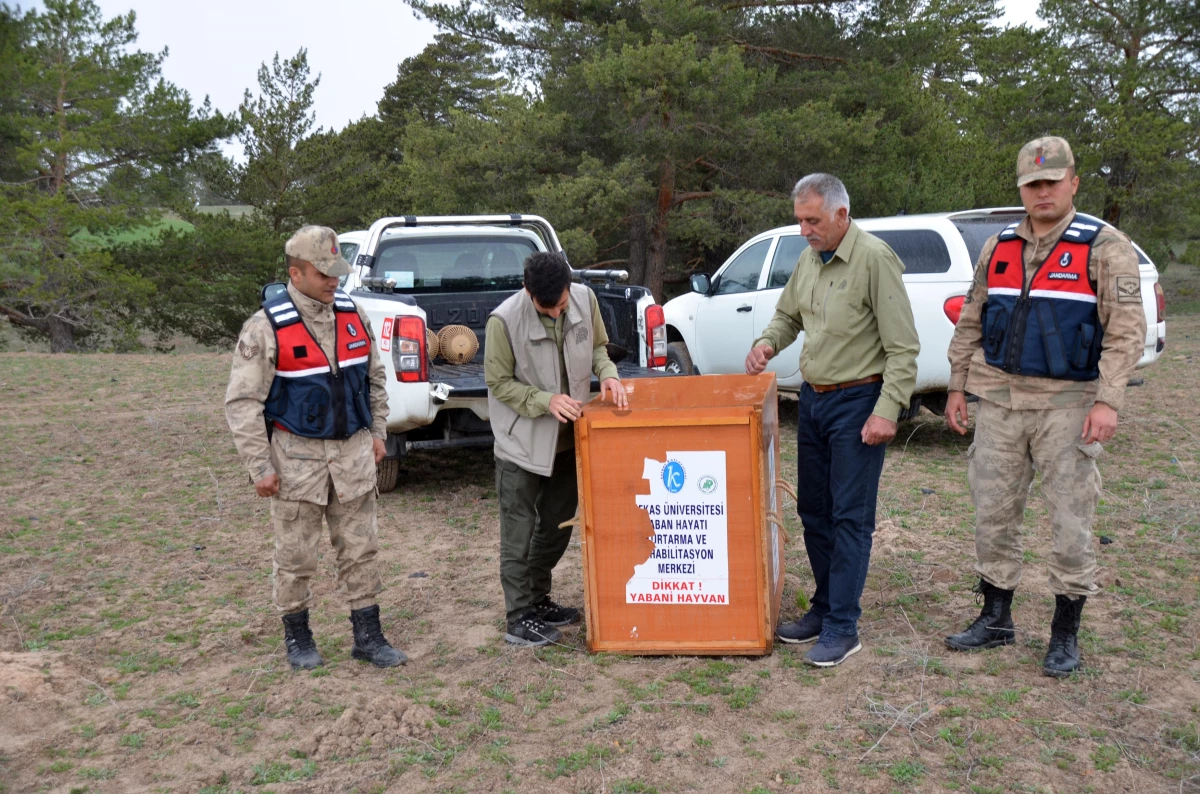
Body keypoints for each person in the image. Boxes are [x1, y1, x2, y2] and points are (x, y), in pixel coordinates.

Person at [942, 137, 1146, 677]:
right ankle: (996, 618)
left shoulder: (1104, 246)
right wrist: (958, 385)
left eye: (1052, 182)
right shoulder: (1000, 246)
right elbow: (971, 319)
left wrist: (1109, 400)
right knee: (993, 513)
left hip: (1068, 407)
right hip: (1000, 404)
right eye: (1033, 185)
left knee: (1071, 523)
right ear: (1021, 190)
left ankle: (1064, 633)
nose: (1043, 192)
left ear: (1073, 183)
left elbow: (1126, 332)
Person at [747, 174, 920, 667]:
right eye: (800, 219)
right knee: (814, 513)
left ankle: (844, 626)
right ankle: (824, 609)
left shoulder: (875, 260)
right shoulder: (808, 260)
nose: (804, 229)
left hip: (858, 404)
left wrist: (887, 411)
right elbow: (788, 318)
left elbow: (904, 347)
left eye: (813, 220)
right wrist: (766, 343)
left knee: (849, 519)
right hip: (814, 402)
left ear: (842, 215)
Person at [225, 225, 406, 670]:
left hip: (353, 455)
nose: (333, 281)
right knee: (296, 555)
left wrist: (379, 432)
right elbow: (243, 403)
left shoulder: (354, 313)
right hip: (296, 462)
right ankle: (298, 638)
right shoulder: (264, 327)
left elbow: (375, 378)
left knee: (361, 549)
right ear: (296, 273)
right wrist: (259, 466)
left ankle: (369, 636)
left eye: (337, 272)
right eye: (324, 273)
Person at [485, 252, 628, 646]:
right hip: (521, 443)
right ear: (528, 292)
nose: (553, 314)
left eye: (560, 306)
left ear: (569, 288)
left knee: (557, 524)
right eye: (544, 308)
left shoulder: (586, 299)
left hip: (569, 440)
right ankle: (518, 616)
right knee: (519, 531)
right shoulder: (503, 321)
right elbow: (498, 384)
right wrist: (544, 400)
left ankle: (538, 598)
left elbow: (599, 348)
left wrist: (609, 376)